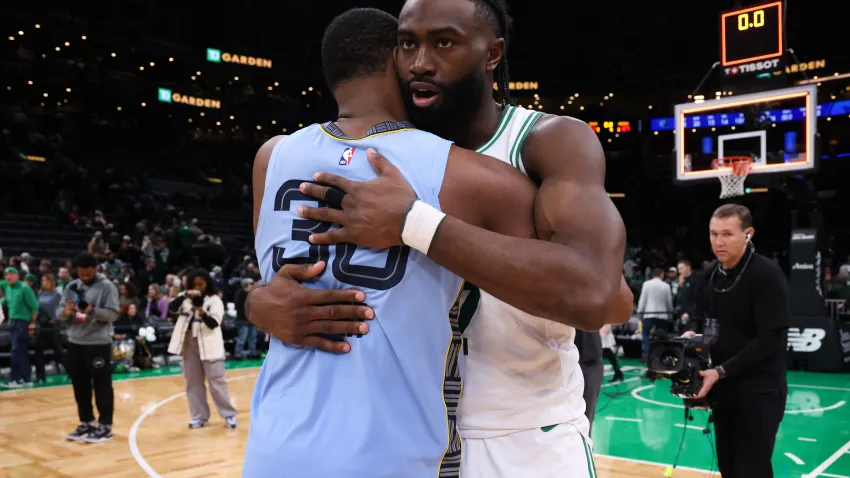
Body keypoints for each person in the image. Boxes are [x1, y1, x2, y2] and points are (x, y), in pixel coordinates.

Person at [243, 8, 608, 477]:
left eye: (443, 43)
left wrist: (415, 221)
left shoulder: (539, 143)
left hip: (521, 429)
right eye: (407, 44)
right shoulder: (426, 158)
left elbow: (602, 296)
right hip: (429, 432)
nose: (420, 62)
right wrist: (255, 303)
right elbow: (282, 277)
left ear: (492, 53)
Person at [682, 204, 790, 477]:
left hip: (759, 390)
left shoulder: (766, 275)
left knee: (752, 468)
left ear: (748, 234)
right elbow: (697, 316)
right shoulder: (708, 276)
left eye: (728, 234)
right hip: (721, 388)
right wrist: (690, 334)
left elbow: (771, 340)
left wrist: (721, 371)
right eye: (714, 234)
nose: (719, 242)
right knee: (728, 466)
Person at [60, 252, 120, 443]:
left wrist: (93, 311)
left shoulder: (107, 287)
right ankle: (86, 422)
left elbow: (113, 314)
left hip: (98, 343)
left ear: (95, 268)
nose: (84, 277)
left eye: (87, 273)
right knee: (79, 384)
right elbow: (59, 314)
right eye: (81, 273)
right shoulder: (71, 286)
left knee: (102, 384)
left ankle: (105, 425)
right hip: (75, 341)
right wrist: (66, 312)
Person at [167, 268, 237, 429]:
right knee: (193, 383)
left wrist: (201, 311)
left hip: (210, 343)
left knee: (217, 381)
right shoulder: (185, 298)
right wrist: (185, 295)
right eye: (195, 284)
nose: (198, 287)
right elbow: (171, 308)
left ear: (207, 284)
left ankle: (228, 415)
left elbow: (214, 323)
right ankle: (199, 417)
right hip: (189, 343)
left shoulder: (214, 300)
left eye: (201, 284)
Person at [0, 266, 39, 388]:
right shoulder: (7, 287)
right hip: (12, 322)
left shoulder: (24, 288)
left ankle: (16, 379)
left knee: (17, 351)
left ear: (17, 275)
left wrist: (32, 323)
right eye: (6, 275)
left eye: (11, 274)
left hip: (22, 323)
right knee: (20, 351)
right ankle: (25, 379)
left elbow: (34, 307)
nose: (8, 277)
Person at [636, 267, 674, 360]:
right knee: (661, 335)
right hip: (662, 314)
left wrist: (640, 312)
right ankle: (661, 356)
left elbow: (642, 299)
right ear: (662, 275)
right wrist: (670, 315)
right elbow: (669, 301)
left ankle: (646, 355)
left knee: (645, 334)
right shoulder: (666, 285)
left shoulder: (646, 284)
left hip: (649, 313)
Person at [34, 273, 65, 384]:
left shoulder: (57, 295)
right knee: (38, 350)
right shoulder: (39, 294)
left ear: (52, 282)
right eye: (42, 280)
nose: (44, 282)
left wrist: (56, 318)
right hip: (41, 325)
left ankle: (72, 372)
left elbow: (62, 308)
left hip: (52, 325)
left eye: (46, 280)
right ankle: (40, 376)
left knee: (58, 351)